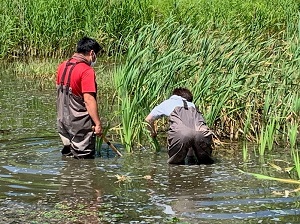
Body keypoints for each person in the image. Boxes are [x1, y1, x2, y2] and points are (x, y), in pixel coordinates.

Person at [56, 36, 103, 159]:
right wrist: (97, 124)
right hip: (79, 123)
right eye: (96, 55)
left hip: (62, 120)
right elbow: (88, 100)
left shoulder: (63, 66)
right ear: (92, 53)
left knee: (68, 155)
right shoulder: (86, 71)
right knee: (84, 160)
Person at [145, 87, 214, 165]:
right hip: (202, 133)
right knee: (205, 164)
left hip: (181, 134)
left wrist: (153, 133)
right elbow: (193, 129)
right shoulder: (192, 105)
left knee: (175, 166)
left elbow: (148, 119)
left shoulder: (167, 103)